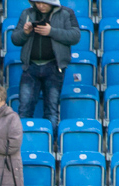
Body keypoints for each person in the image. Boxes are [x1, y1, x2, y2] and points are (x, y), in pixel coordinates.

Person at [9, 0, 79, 128]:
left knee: (51, 110)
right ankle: (23, 143)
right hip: (30, 66)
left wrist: (51, 31)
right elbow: (15, 39)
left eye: (44, 3)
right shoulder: (26, 13)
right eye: (37, 3)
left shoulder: (66, 13)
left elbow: (75, 36)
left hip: (54, 67)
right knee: (24, 108)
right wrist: (24, 33)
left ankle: (50, 143)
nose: (40, 6)